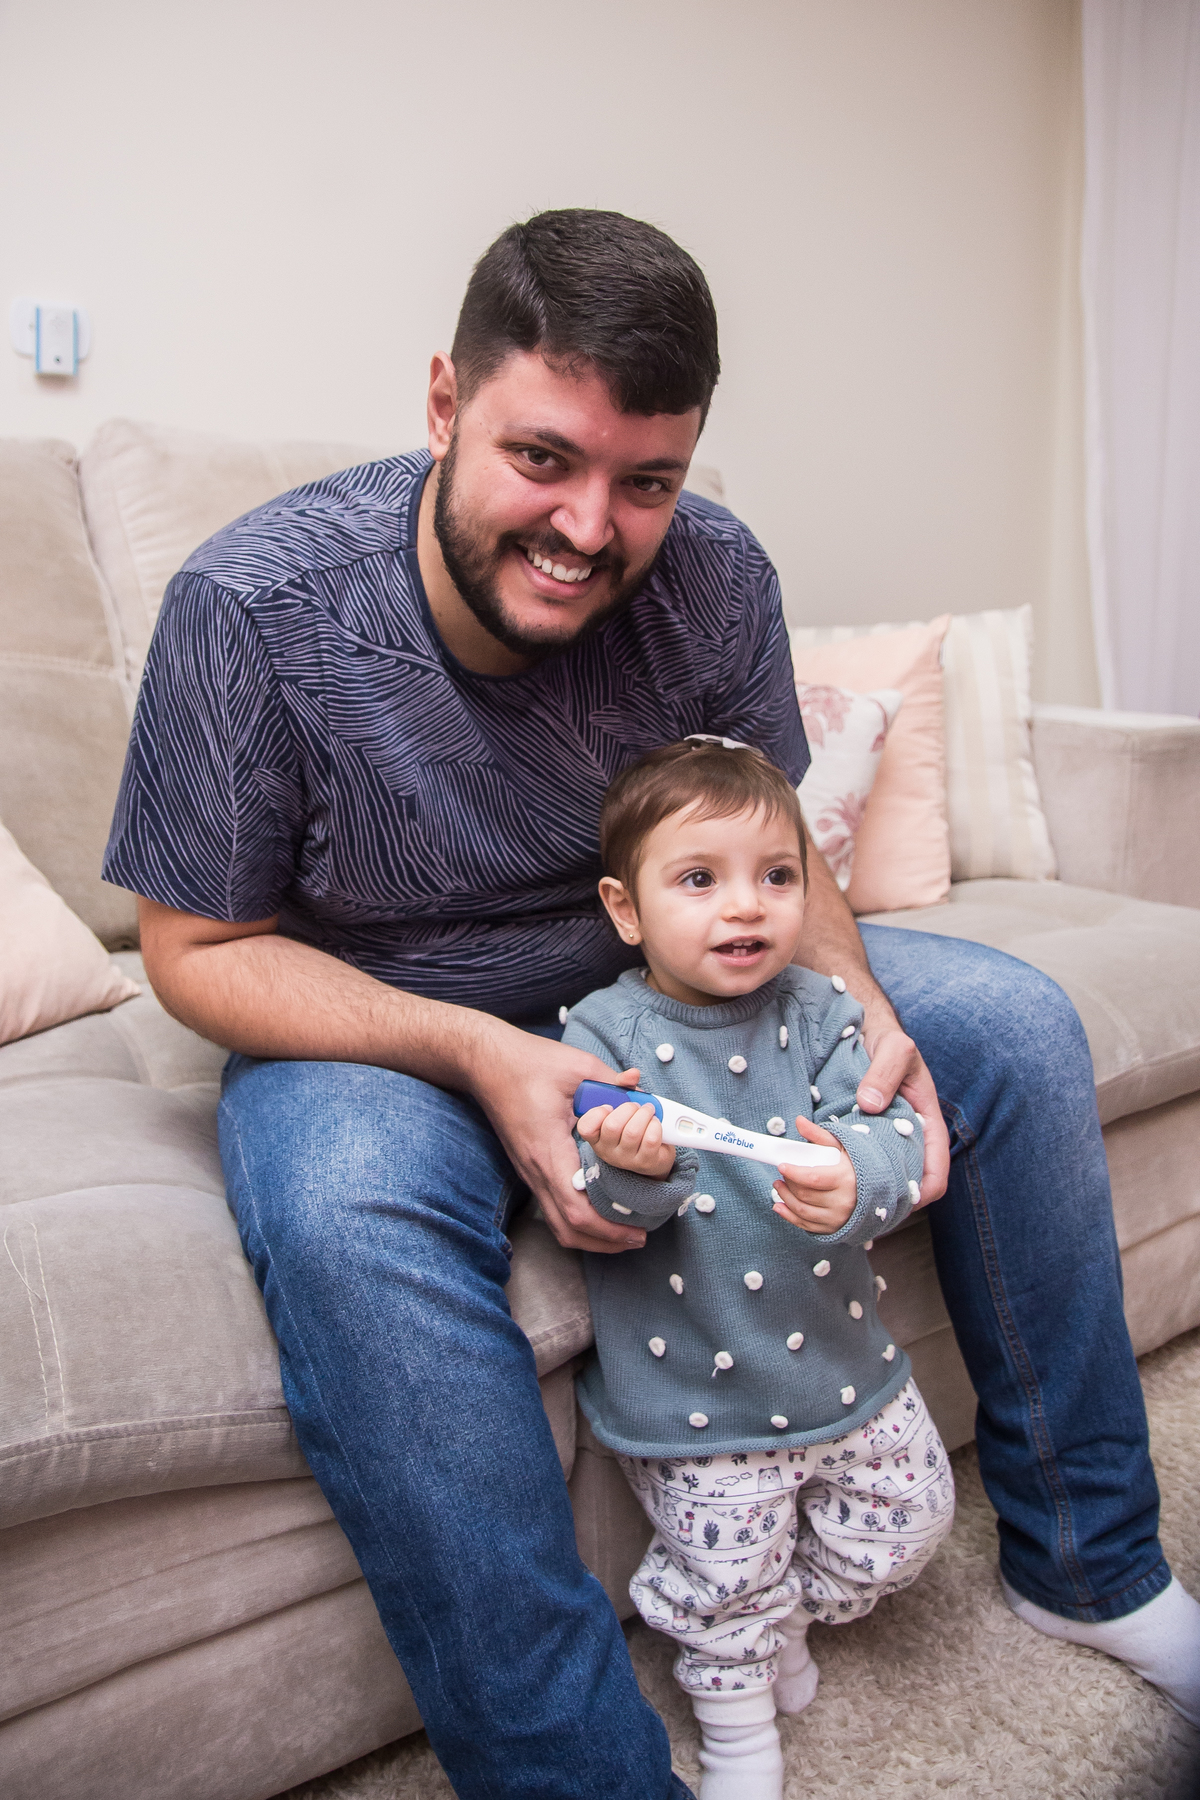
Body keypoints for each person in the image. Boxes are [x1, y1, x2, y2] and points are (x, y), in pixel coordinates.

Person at [102, 210, 1198, 1799]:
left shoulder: (718, 574)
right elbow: (199, 949)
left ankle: (1091, 1565)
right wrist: (483, 1054)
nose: (587, 527)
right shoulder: (253, 604)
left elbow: (772, 829)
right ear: (442, 404)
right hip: (386, 1020)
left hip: (681, 969)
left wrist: (854, 996)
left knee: (1014, 1029)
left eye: (645, 482)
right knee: (341, 1213)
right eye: (542, 459)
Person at [563, 737, 956, 1800]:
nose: (746, 906)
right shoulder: (602, 1033)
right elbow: (596, 1204)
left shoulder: (822, 1011)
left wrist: (860, 1176)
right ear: (626, 908)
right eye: (700, 879)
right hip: (698, 1397)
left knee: (913, 1521)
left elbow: (887, 1130)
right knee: (721, 1586)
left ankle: (783, 1618)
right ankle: (740, 1738)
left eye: (776, 876)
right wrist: (635, 1170)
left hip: (845, 1367)